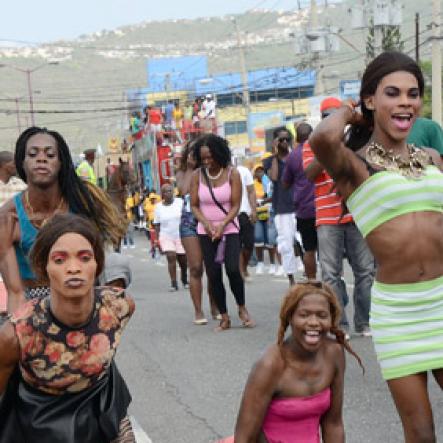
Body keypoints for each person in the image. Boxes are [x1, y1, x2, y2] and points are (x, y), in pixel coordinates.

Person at [309, 51, 443, 442]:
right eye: (393, 93)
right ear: (371, 100)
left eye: (413, 93)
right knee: (420, 433)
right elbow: (321, 138)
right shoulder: (354, 166)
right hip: (400, 313)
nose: (406, 101)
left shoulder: (433, 158)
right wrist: (351, 112)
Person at [0, 213, 135, 442]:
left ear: (97, 265)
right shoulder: (16, 334)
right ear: (44, 268)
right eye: (60, 260)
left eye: (84, 258)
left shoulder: (119, 307)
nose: (74, 268)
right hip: (40, 421)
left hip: (100, 406)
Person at [0, 127, 127, 314]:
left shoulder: (82, 202)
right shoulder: (8, 217)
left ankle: (100, 326)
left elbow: (101, 251)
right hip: (33, 301)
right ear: (22, 162)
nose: (41, 159)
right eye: (33, 154)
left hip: (79, 294)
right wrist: (18, 332)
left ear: (61, 163)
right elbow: (15, 292)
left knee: (117, 262)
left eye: (50, 155)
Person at [233, 281, 362, 443]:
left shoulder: (334, 353)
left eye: (322, 315)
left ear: (332, 318)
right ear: (290, 317)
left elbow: (333, 423)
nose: (314, 322)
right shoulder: (270, 365)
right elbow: (244, 438)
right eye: (304, 314)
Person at [304, 98, 375, 338]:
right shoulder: (312, 144)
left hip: (356, 212)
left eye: (334, 116)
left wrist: (345, 143)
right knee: (331, 274)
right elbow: (310, 174)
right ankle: (339, 324)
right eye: (326, 117)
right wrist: (328, 146)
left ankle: (364, 322)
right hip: (326, 218)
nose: (330, 120)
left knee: (365, 271)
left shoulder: (355, 141)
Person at [191, 134, 254, 331]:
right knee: (213, 273)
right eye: (203, 159)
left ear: (219, 153)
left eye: (210, 157)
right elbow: (194, 206)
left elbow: (235, 205)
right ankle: (224, 316)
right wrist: (207, 224)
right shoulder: (197, 176)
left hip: (229, 228)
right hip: (206, 231)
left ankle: (242, 307)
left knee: (233, 269)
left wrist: (222, 224)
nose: (207, 162)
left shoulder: (232, 173)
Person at [176, 141, 218, 324]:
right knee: (196, 267)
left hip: (209, 221)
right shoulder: (183, 172)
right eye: (192, 153)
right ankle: (198, 311)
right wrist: (191, 169)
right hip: (189, 223)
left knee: (213, 268)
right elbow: (184, 190)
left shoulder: (211, 170)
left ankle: (216, 306)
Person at [263, 127, 300, 286]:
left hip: (300, 205)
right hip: (282, 208)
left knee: (302, 241)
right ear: (276, 142)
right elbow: (274, 177)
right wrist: (275, 154)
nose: (285, 142)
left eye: (287, 139)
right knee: (286, 244)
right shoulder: (269, 161)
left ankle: (308, 271)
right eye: (281, 140)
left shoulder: (296, 156)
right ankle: (291, 277)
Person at [283, 122, 317, 279]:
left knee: (309, 249)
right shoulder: (321, 150)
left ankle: (312, 282)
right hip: (324, 207)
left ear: (297, 137)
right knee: (330, 249)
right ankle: (336, 280)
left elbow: (285, 183)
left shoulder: (292, 156)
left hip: (304, 209)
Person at [153, 183, 188, 291]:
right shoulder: (158, 207)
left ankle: (184, 278)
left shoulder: (180, 202)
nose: (168, 193)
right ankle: (173, 283)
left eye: (170, 191)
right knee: (171, 257)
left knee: (183, 260)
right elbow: (157, 225)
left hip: (180, 235)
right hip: (166, 236)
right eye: (165, 191)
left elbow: (187, 217)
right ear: (162, 194)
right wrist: (157, 240)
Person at [252, 164, 277, 275]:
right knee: (258, 238)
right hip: (257, 213)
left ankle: (272, 264)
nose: (260, 173)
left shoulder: (267, 182)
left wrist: (263, 199)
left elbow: (270, 194)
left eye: (261, 171)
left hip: (269, 212)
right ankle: (260, 263)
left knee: (270, 240)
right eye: (257, 171)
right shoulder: (252, 184)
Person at [236, 164, 257, 282]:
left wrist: (254, 210)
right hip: (232, 215)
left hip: (246, 213)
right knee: (237, 245)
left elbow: (251, 191)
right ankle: (240, 272)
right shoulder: (222, 173)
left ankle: (244, 268)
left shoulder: (243, 171)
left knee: (249, 244)